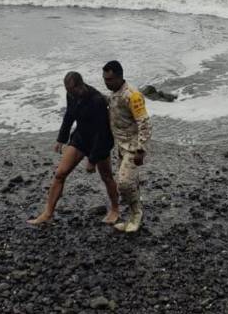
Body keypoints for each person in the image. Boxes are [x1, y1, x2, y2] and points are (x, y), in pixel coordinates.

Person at [27, 71, 119, 225]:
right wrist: (61, 139)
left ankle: (115, 209)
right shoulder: (71, 95)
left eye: (72, 90)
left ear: (80, 85)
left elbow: (102, 132)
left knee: (107, 177)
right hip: (81, 138)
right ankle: (47, 213)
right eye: (68, 91)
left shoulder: (97, 101)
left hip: (100, 142)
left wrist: (92, 160)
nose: (70, 94)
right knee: (60, 174)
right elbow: (69, 115)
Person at [102, 60, 152, 233]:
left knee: (123, 184)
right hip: (121, 146)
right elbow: (110, 102)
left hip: (133, 147)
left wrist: (141, 150)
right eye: (104, 79)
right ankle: (132, 215)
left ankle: (137, 214)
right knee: (130, 183)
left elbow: (144, 123)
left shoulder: (132, 95)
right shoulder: (114, 94)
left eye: (109, 80)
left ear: (119, 77)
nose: (106, 83)